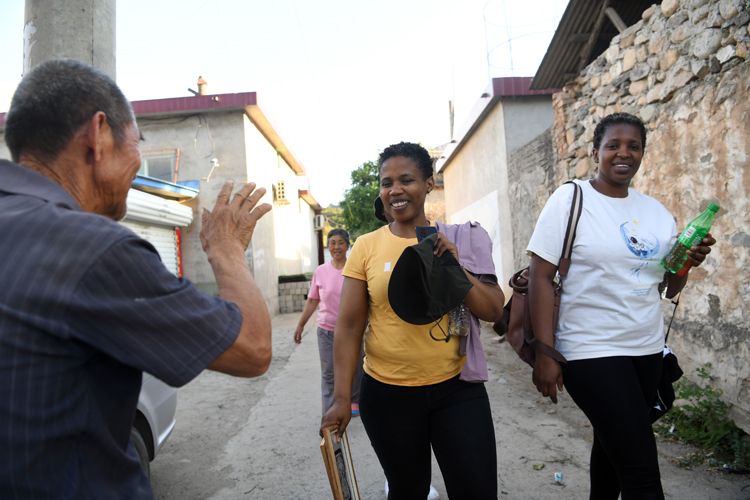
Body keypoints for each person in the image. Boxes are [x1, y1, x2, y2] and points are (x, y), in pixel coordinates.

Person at [0, 59, 273, 499]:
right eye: (137, 141)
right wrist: (226, 250)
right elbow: (253, 348)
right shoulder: (92, 248)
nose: (139, 161)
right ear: (98, 135)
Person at [527, 112, 716, 500]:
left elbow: (666, 285)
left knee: (612, 456)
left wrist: (687, 263)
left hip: (645, 350)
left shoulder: (657, 213)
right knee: (641, 470)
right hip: (589, 350)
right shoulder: (572, 198)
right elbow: (540, 276)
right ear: (596, 151)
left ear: (643, 153)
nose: (623, 153)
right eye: (613, 145)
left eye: (633, 146)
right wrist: (545, 352)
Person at [320, 142, 505, 499]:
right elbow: (348, 327)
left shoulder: (459, 240)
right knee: (408, 491)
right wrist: (342, 397)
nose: (396, 190)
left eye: (407, 179)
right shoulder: (366, 247)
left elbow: (494, 311)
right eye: (387, 182)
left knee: (477, 491)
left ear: (429, 184)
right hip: (388, 396)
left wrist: (453, 266)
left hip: (457, 390)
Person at [294, 228, 364, 416]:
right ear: (328, 246)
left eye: (340, 242)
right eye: (332, 243)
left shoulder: (356, 268)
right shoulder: (321, 272)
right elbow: (312, 300)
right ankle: (329, 411)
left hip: (353, 330)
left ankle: (354, 401)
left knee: (356, 367)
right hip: (327, 330)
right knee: (329, 373)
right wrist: (301, 324)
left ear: (347, 245)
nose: (336, 247)